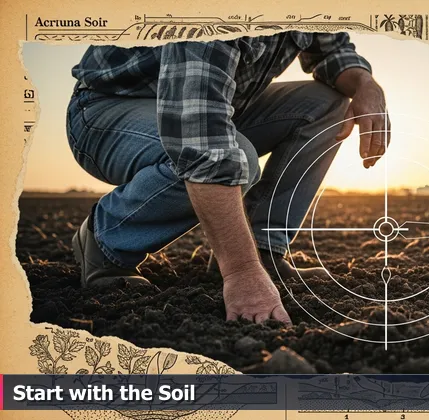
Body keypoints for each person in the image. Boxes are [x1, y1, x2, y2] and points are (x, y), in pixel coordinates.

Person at [66, 31, 391, 325]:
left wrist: (366, 84)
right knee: (237, 159)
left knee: (326, 106)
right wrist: (240, 273)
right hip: (106, 109)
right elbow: (203, 143)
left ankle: (263, 251)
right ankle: (107, 240)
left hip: (224, 104)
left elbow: (331, 52)